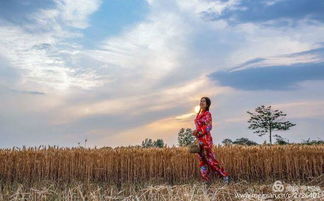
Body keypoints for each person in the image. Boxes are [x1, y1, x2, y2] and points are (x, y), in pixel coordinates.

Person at [192, 97, 230, 185]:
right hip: (199, 141)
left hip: (206, 140)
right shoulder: (198, 114)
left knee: (210, 160)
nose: (201, 102)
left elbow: (209, 127)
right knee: (202, 161)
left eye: (203, 101)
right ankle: (205, 180)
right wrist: (195, 133)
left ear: (207, 104)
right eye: (200, 101)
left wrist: (197, 131)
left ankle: (225, 176)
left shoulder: (207, 114)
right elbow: (199, 127)